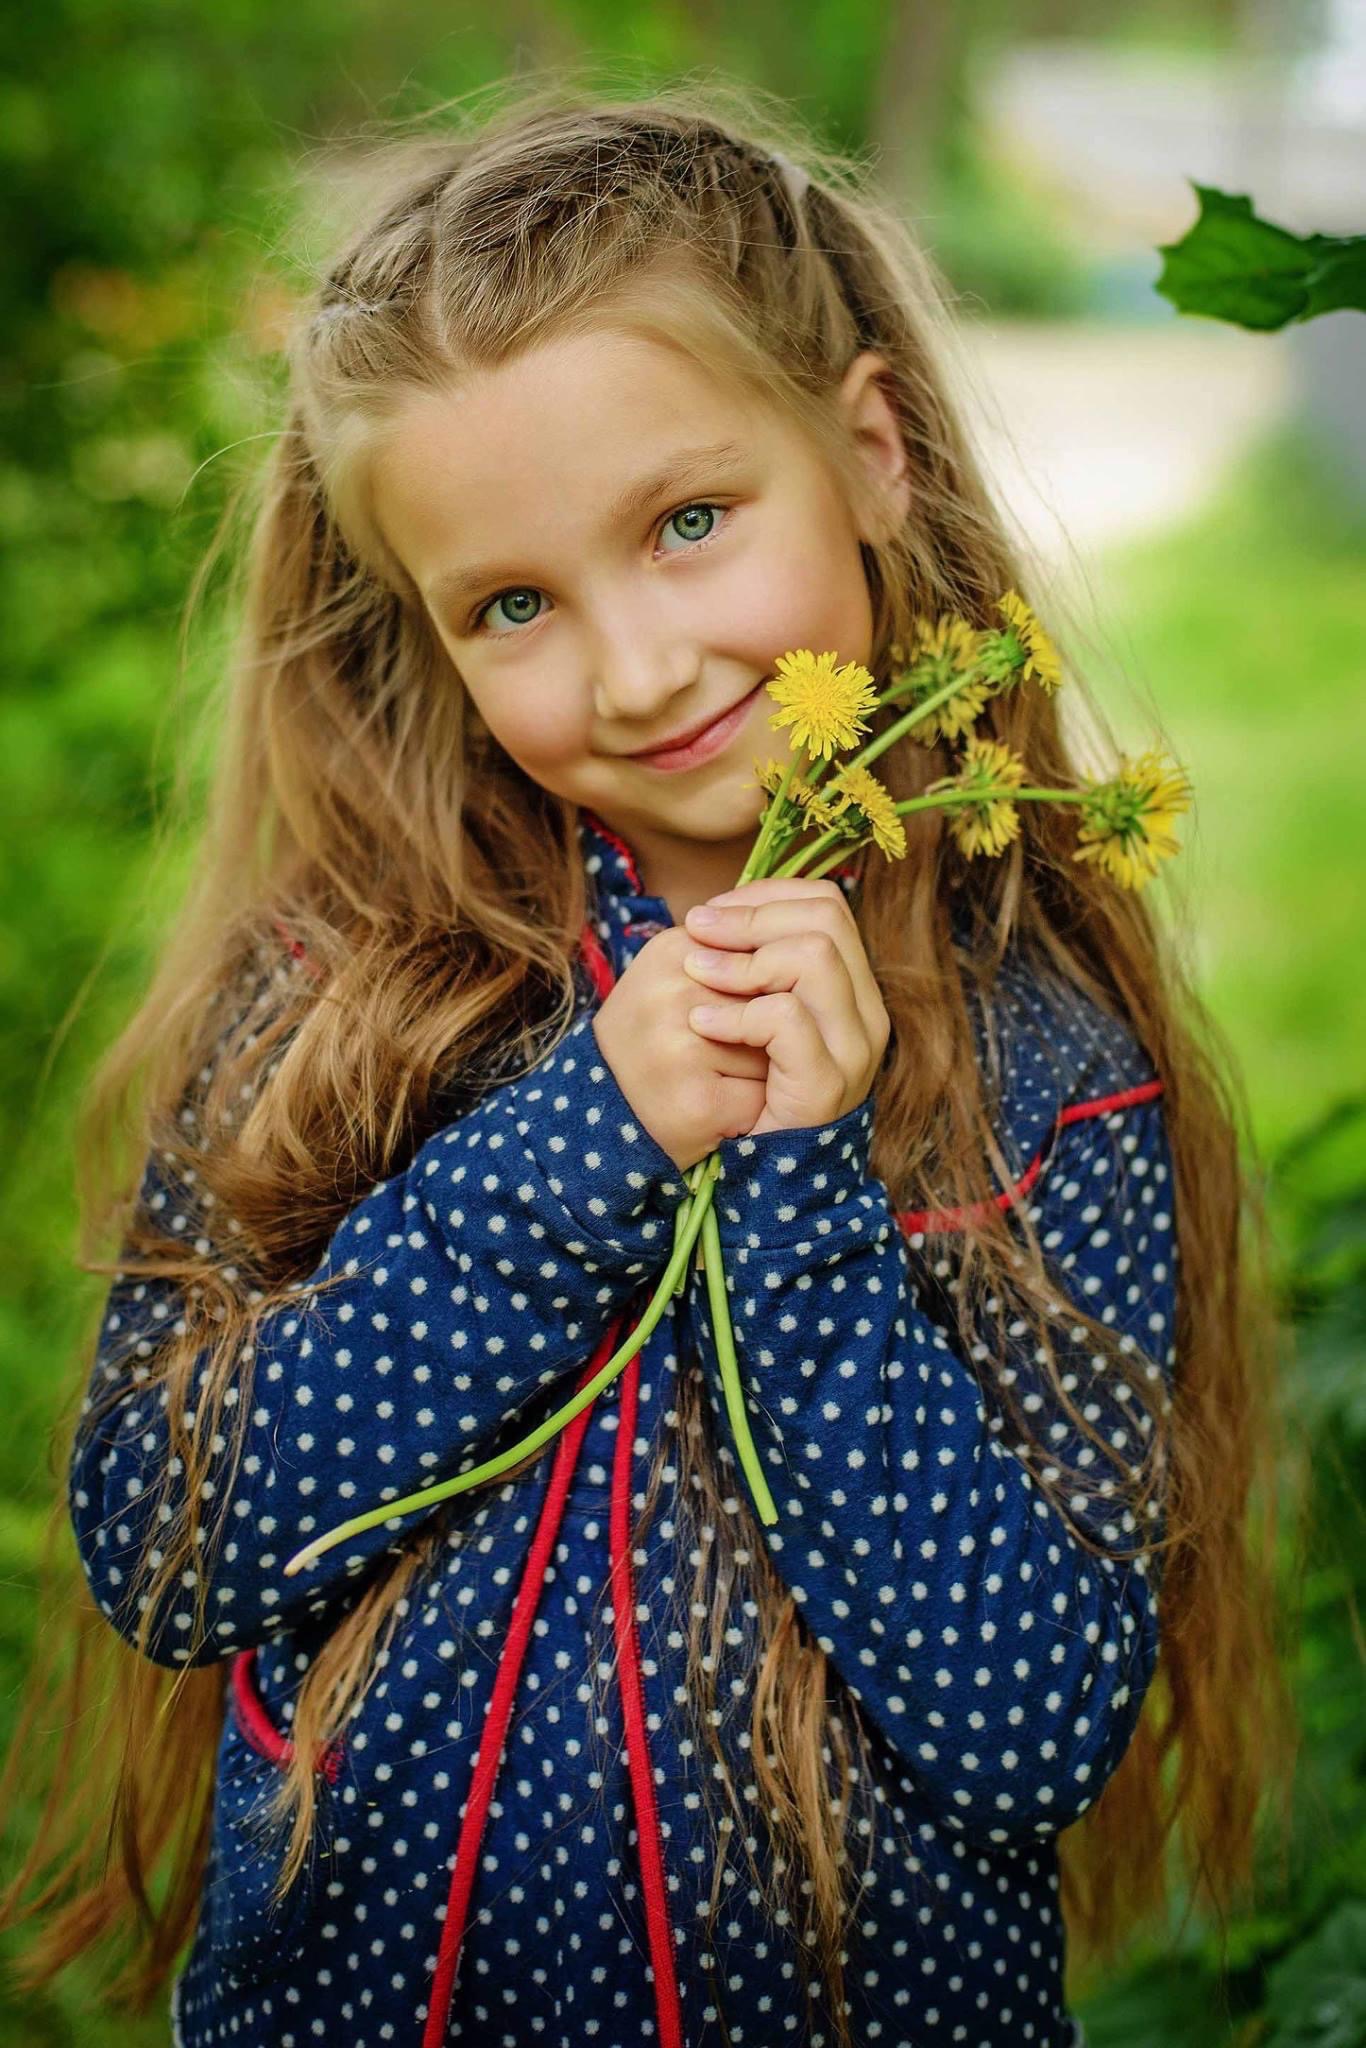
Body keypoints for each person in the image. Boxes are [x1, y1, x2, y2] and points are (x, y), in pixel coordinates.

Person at [1, 77, 1291, 2048]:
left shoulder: (1049, 1073)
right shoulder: (346, 1000)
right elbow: (170, 1543)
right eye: (512, 603)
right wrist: (584, 1137)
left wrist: (795, 1174)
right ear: (430, 633)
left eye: (688, 522)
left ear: (864, 449)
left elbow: (1026, 1721)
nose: (629, 667)